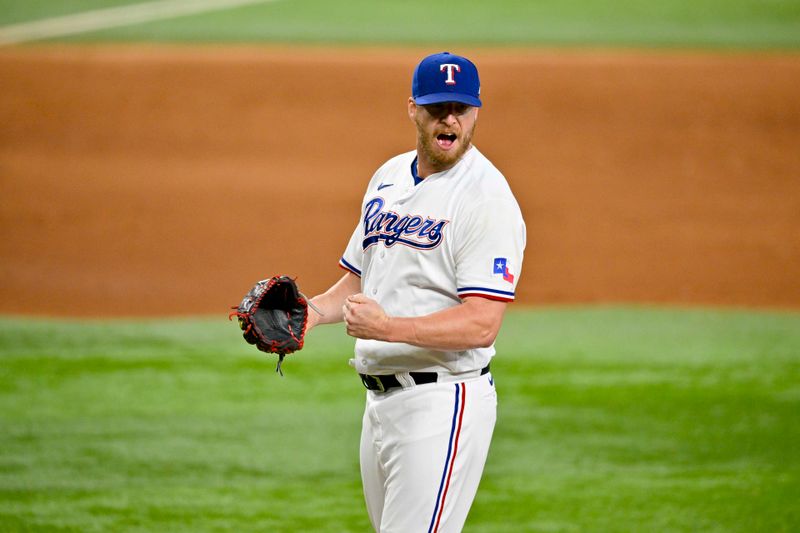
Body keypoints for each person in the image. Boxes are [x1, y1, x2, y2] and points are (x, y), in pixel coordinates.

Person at [305, 51, 526, 532]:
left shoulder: (485, 198)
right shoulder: (387, 177)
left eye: (461, 109)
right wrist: (311, 312)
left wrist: (386, 327)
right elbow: (361, 279)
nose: (449, 119)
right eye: (436, 108)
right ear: (413, 109)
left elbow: (482, 322)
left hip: (442, 403)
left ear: (475, 113)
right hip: (380, 407)